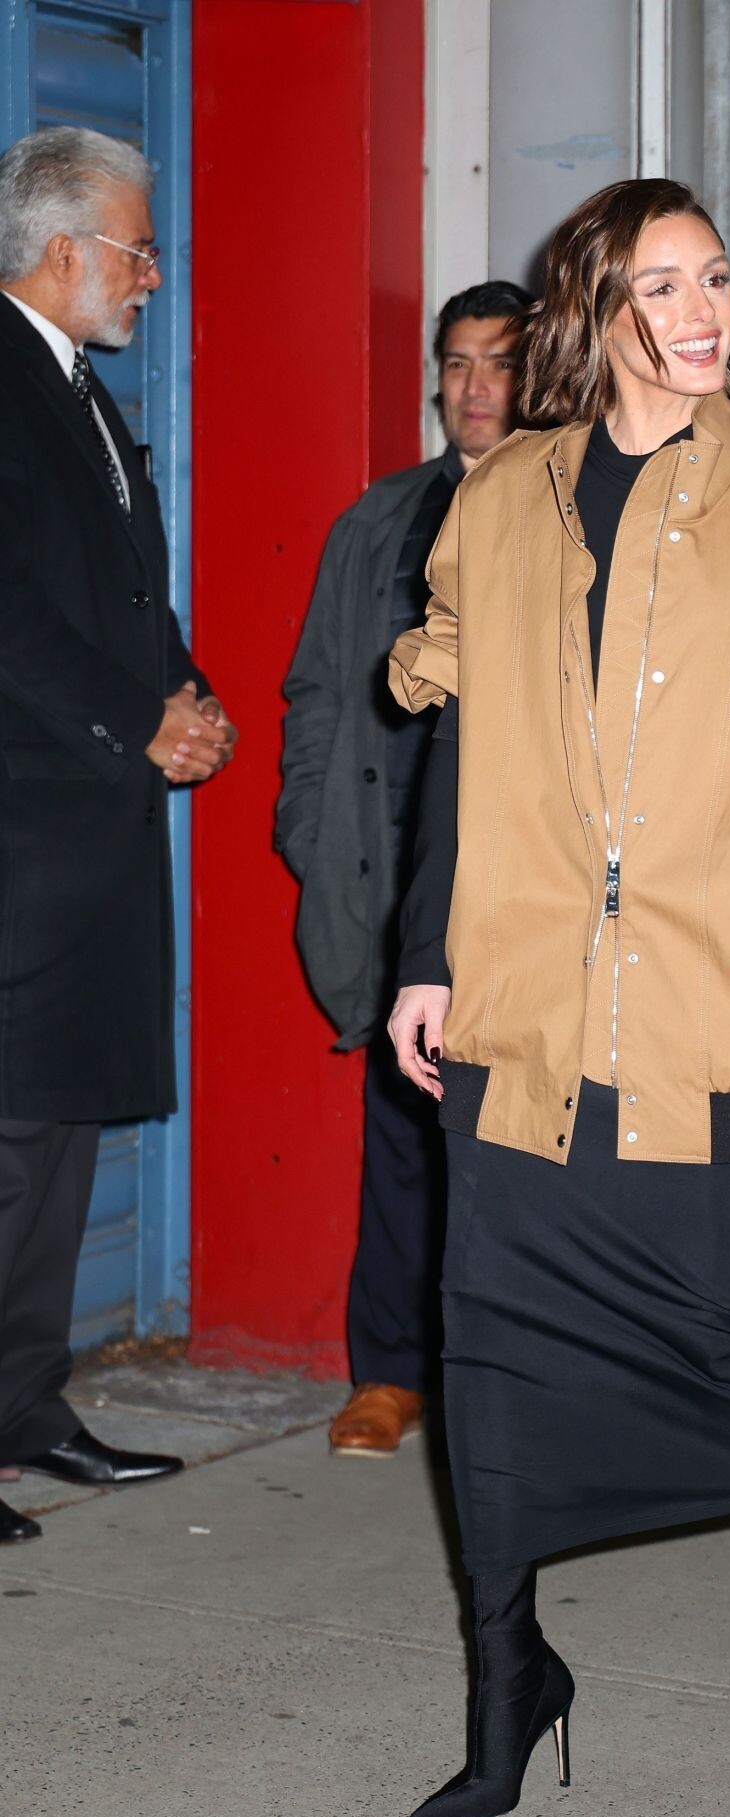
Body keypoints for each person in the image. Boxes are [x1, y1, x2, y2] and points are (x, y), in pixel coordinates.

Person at [386, 177, 730, 1817]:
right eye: (664, 287)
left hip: (701, 990)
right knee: (487, 1351)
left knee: (726, 1328)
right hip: (523, 996)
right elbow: (459, 748)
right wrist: (426, 955)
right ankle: (510, 1686)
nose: (704, 314)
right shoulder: (502, 499)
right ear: (594, 310)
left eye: (717, 281)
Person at [0, 127, 235, 1546]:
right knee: (9, 1142)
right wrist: (133, 722)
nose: (153, 276)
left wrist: (185, 697)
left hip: (92, 836)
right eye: (139, 252)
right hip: (25, 833)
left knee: (62, 1132)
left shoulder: (78, 386)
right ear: (64, 249)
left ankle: (25, 1410)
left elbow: (124, 593)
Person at [277, 282, 532, 1459]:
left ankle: (514, 1381)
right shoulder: (377, 521)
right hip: (391, 880)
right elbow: (318, 691)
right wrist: (308, 827)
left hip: (521, 880)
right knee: (402, 1126)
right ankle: (390, 1371)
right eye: (457, 362)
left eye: (500, 362)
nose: (475, 387)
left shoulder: (571, 511)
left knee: (524, 1147)